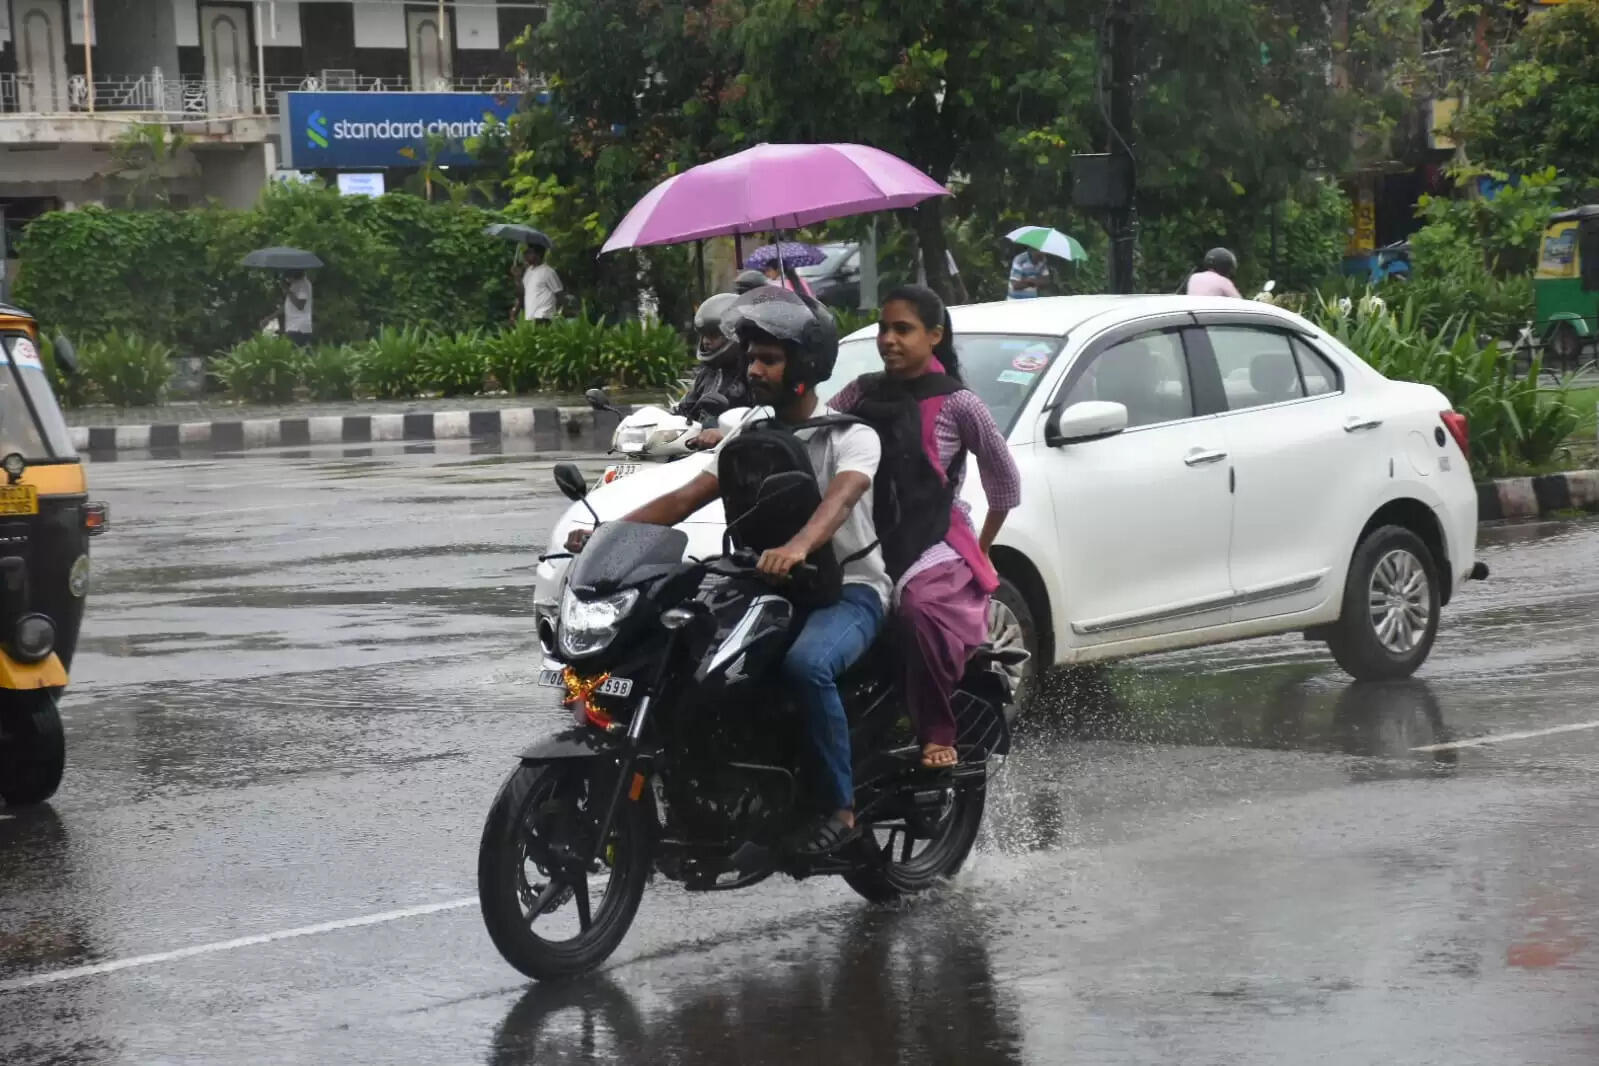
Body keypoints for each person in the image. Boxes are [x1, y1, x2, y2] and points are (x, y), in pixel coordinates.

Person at [577, 287, 889, 854]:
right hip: (763, 584)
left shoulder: (851, 434)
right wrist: (609, 536)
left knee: (807, 666)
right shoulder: (749, 436)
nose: (754, 368)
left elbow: (840, 500)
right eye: (751, 358)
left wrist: (797, 546)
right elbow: (682, 499)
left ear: (805, 366)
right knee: (683, 657)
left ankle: (842, 810)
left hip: (849, 591)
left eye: (769, 358)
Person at [827, 285, 1020, 769]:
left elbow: (1005, 481)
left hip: (934, 540)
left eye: (903, 329)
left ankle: (937, 732)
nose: (888, 339)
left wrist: (981, 548)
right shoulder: (862, 391)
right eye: (883, 329)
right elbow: (815, 427)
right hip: (864, 534)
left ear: (934, 336)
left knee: (917, 612)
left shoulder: (960, 404)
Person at [674, 291, 751, 430]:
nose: (706, 342)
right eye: (703, 335)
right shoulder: (707, 373)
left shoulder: (749, 374)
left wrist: (722, 429)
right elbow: (687, 408)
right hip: (700, 447)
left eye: (713, 335)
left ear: (736, 334)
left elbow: (757, 419)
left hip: (735, 444)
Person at [518, 244, 563, 323]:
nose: (525, 255)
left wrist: (558, 314)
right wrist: (517, 277)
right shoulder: (529, 271)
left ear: (538, 254)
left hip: (544, 316)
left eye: (529, 252)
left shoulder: (548, 271)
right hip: (531, 316)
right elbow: (522, 292)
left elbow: (559, 293)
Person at [281, 270, 313, 346]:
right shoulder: (295, 284)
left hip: (299, 328)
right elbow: (288, 305)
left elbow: (300, 305)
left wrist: (287, 291)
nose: (287, 280)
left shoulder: (304, 284)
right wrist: (269, 318)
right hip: (293, 327)